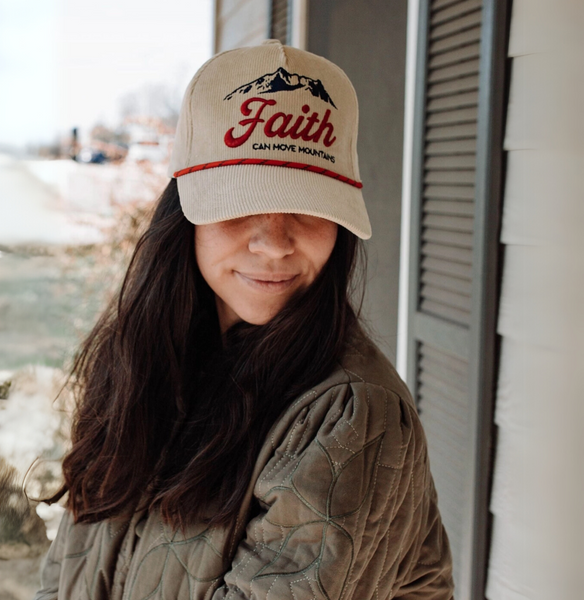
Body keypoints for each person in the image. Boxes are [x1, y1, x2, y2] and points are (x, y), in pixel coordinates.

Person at [34, 40, 454, 599]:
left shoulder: (349, 419)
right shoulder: (143, 361)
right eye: (242, 201)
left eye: (309, 207)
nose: (275, 243)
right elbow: (67, 571)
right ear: (184, 212)